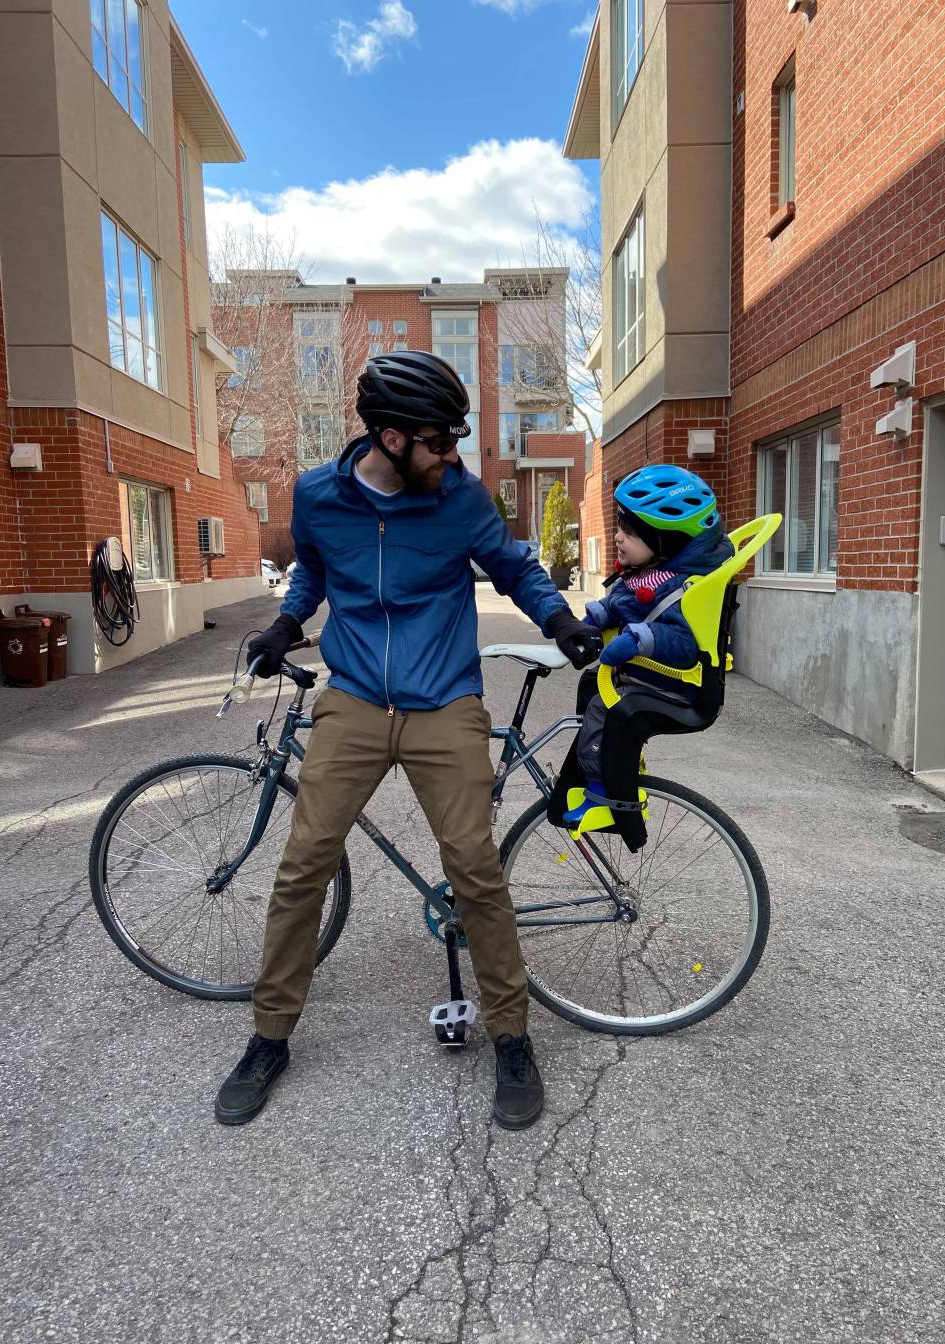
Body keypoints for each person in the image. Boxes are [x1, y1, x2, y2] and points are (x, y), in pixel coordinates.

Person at [215, 351, 602, 1129]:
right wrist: (286, 623)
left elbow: (513, 567)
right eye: (438, 440)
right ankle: (269, 1036)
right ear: (390, 438)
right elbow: (312, 572)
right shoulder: (318, 496)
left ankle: (512, 1036)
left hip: (444, 699)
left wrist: (559, 618)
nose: (452, 455)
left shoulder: (458, 497)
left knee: (473, 865)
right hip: (355, 698)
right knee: (304, 862)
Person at [565, 465, 734, 826]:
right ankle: (610, 760)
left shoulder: (685, 589)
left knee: (604, 709)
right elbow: (626, 602)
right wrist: (593, 618)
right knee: (590, 686)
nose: (617, 537)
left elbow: (684, 642)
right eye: (619, 528)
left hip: (672, 684)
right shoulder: (658, 573)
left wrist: (637, 639)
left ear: (665, 540)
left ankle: (604, 796)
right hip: (647, 677)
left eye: (629, 532)